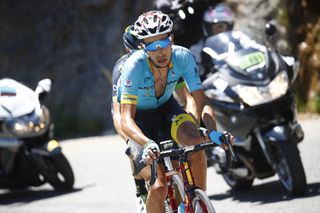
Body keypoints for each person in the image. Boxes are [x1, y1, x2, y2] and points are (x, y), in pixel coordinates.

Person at [118, 10, 231, 212]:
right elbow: (126, 118)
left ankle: (198, 200)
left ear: (172, 38)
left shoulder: (183, 56)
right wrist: (147, 144)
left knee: (195, 142)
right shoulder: (133, 66)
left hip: (167, 110)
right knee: (159, 186)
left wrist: (213, 132)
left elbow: (201, 101)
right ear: (143, 46)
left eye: (164, 42)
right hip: (140, 123)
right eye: (152, 46)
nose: (160, 51)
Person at [111, 25, 148, 213]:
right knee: (133, 146)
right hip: (132, 112)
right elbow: (118, 114)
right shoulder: (122, 68)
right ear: (128, 49)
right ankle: (141, 190)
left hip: (157, 108)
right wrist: (128, 140)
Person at [190, 2, 234, 80]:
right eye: (215, 27)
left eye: (222, 26)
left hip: (240, 81)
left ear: (229, 27)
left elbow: (254, 47)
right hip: (215, 86)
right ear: (208, 28)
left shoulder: (238, 41)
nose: (219, 30)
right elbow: (191, 70)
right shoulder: (197, 49)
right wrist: (204, 70)